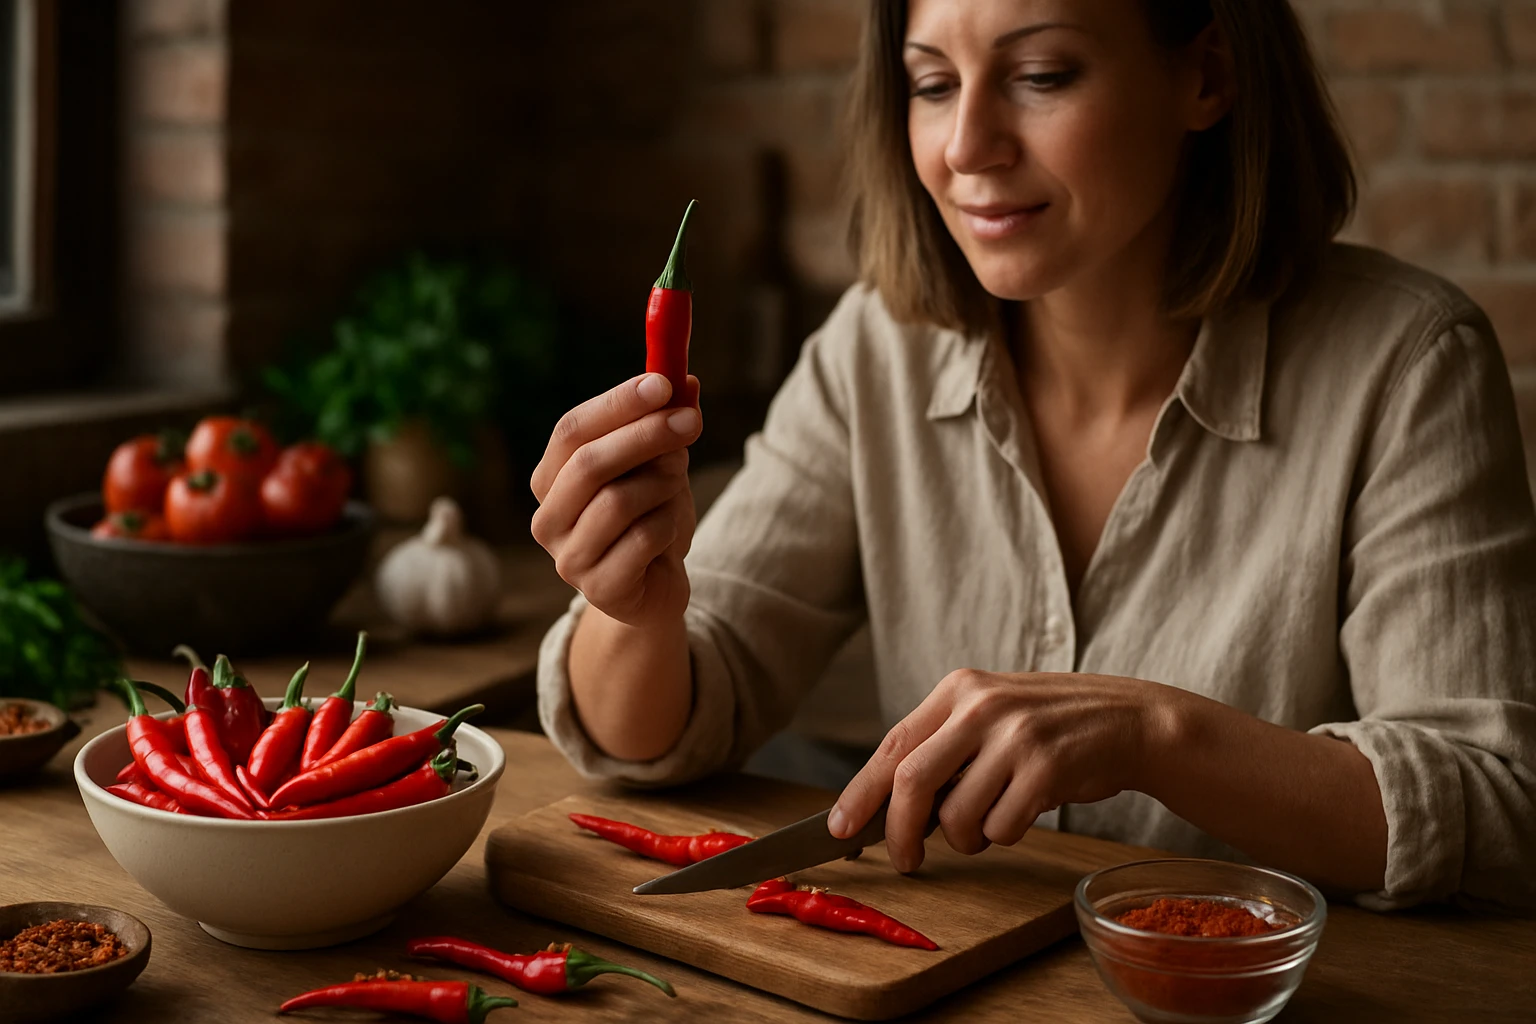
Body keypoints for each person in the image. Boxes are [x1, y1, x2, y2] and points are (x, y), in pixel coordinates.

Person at [529, 0, 1536, 911]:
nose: (967, 145)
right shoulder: (874, 348)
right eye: (931, 85)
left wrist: (1151, 734)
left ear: (1208, 76)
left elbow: (1494, 804)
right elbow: (652, 732)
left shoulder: (1408, 362)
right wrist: (638, 613)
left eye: (1041, 75)